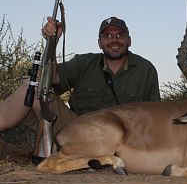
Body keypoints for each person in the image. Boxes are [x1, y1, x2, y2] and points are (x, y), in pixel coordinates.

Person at [0, 16, 160, 157]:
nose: (114, 40)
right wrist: (52, 42)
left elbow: (155, 116)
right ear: (100, 43)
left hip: (120, 139)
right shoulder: (84, 63)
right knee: (33, 86)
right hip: (77, 130)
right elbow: (48, 77)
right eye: (108, 36)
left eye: (120, 35)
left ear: (129, 40)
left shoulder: (146, 69)